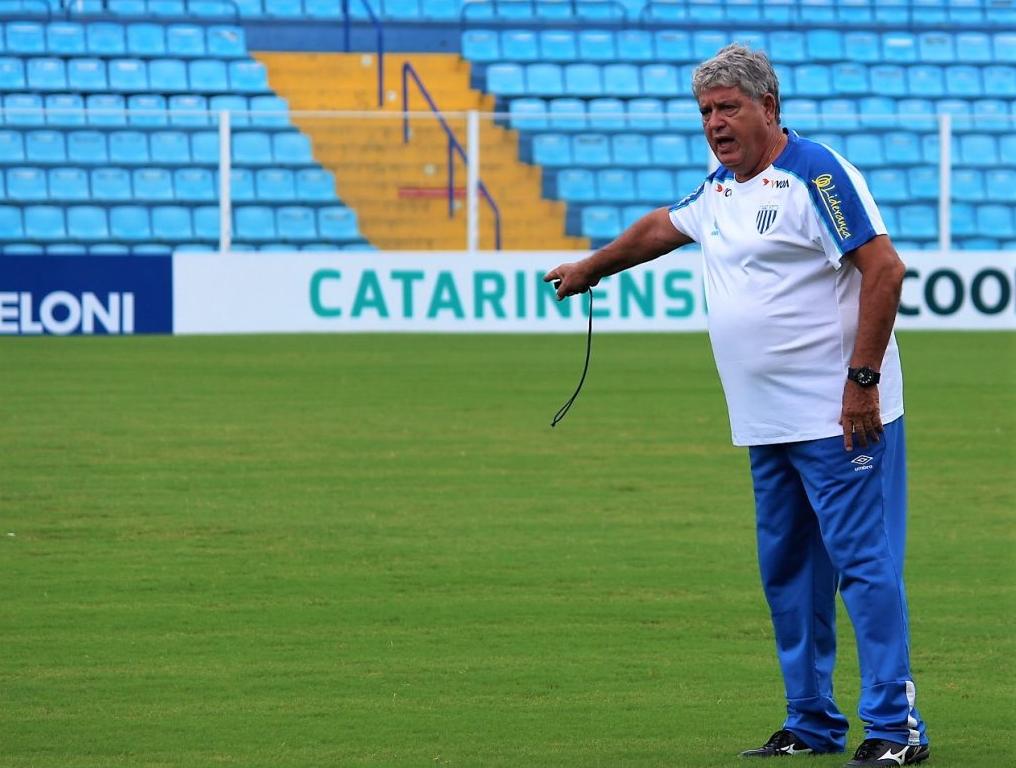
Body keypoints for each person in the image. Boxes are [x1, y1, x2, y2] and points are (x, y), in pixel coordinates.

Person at [544, 44, 930, 767]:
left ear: (768, 108)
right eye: (705, 112)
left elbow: (884, 269)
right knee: (788, 572)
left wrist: (862, 383)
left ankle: (895, 730)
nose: (715, 123)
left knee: (865, 566)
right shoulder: (721, 186)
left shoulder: (815, 173)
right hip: (766, 423)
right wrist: (591, 267)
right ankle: (811, 721)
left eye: (728, 108)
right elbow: (666, 225)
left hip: (839, 418)